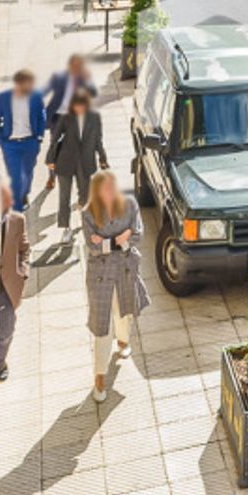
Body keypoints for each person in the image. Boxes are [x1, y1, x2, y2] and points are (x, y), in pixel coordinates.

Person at [81, 170, 150, 403]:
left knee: (124, 313)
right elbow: (93, 248)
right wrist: (121, 238)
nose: (111, 191)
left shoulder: (129, 204)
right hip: (100, 275)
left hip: (125, 270)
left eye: (113, 186)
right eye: (106, 188)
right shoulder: (88, 213)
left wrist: (117, 239)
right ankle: (99, 376)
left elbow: (139, 235)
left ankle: (123, 341)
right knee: (103, 328)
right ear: (97, 191)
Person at [47, 88, 108, 232]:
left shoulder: (94, 117)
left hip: (86, 161)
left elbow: (98, 139)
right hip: (65, 161)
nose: (78, 108)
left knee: (85, 194)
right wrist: (50, 159)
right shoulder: (66, 117)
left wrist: (103, 158)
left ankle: (82, 212)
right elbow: (55, 138)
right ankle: (65, 228)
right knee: (64, 198)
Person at [0, 70, 47, 214]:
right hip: (10, 144)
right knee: (16, 176)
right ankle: (17, 211)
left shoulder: (36, 97)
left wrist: (39, 136)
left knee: (27, 173)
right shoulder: (3, 98)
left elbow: (42, 116)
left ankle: (24, 194)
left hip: (30, 142)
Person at [41, 53, 96, 192]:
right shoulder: (59, 78)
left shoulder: (83, 79)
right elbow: (44, 90)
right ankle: (52, 176)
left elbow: (93, 93)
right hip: (58, 117)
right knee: (54, 147)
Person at [0, 203, 29, 382]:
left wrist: (23, 273)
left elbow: (24, 249)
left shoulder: (17, 220)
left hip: (6, 286)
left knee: (7, 329)